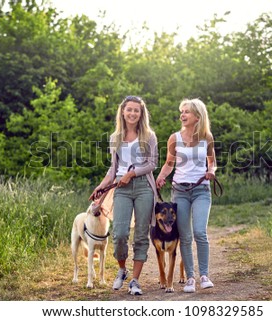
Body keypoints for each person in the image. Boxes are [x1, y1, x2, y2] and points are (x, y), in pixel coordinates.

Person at [90, 96, 158, 296]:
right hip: (121, 187)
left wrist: (132, 173)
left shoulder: (149, 136)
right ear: (123, 111)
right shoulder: (115, 137)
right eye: (129, 109)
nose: (133, 113)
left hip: (144, 186)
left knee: (140, 236)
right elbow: (113, 169)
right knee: (119, 233)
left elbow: (152, 164)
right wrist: (101, 187)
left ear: (141, 113)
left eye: (136, 110)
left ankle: (135, 281)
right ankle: (122, 269)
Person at [155, 98, 216, 293]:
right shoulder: (174, 138)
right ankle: (190, 277)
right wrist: (161, 176)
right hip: (179, 191)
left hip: (201, 190)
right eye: (181, 111)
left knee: (199, 232)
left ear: (197, 116)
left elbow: (212, 161)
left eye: (187, 112)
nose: (182, 115)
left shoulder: (207, 137)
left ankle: (204, 275)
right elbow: (169, 163)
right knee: (185, 236)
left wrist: (212, 171)